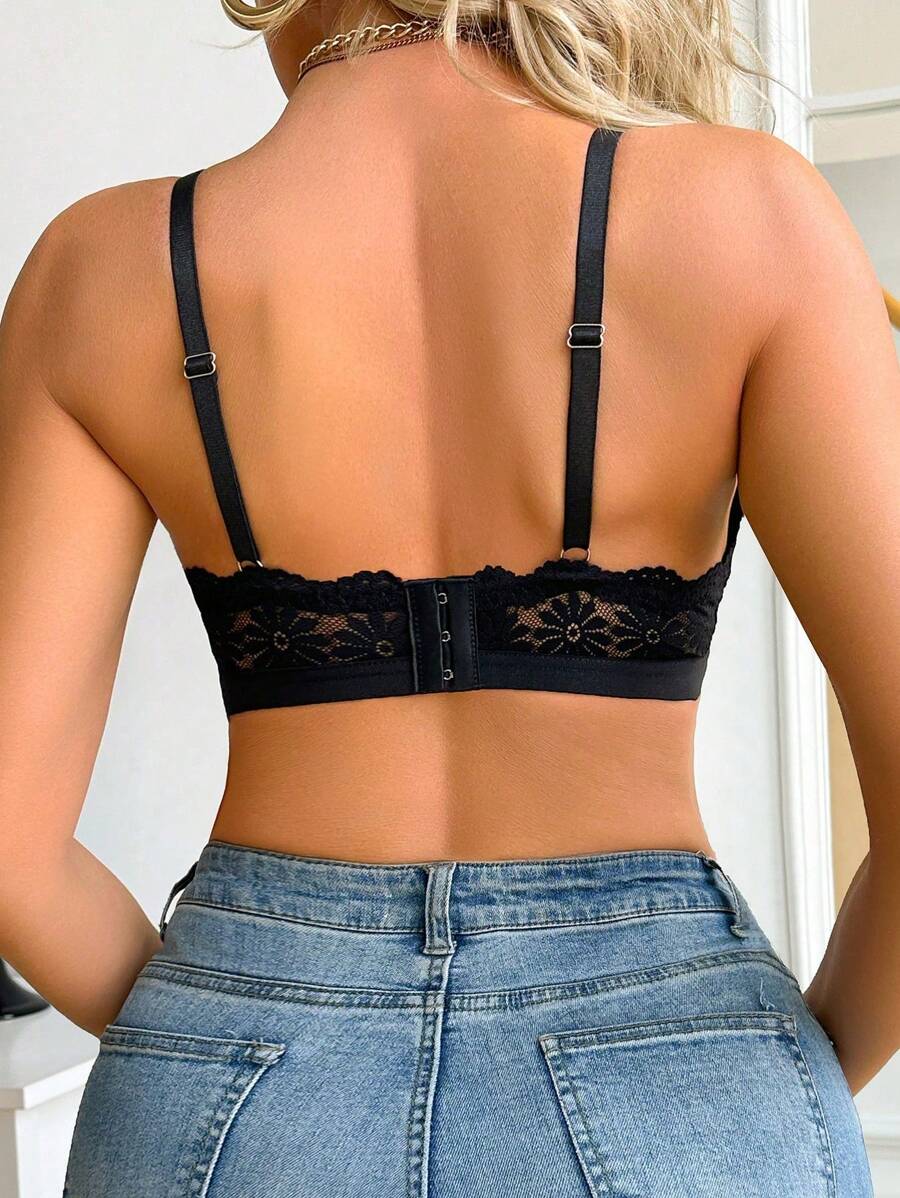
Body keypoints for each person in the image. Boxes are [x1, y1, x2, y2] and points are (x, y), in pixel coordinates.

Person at [0, 0, 896, 1194]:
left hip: (227, 1089)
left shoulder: (99, 269)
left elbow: (7, 846)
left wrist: (202, 1023)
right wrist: (772, 1073)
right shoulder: (754, 215)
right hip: (684, 1071)